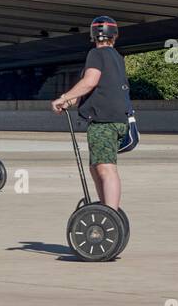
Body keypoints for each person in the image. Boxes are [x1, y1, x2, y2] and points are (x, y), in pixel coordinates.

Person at [50, 16, 128, 210]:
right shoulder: (117, 57)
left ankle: (110, 213)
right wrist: (70, 100)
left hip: (104, 121)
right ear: (114, 36)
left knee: (106, 168)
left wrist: (63, 97)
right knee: (96, 167)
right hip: (117, 119)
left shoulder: (96, 54)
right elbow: (97, 87)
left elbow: (90, 81)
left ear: (94, 36)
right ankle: (106, 209)